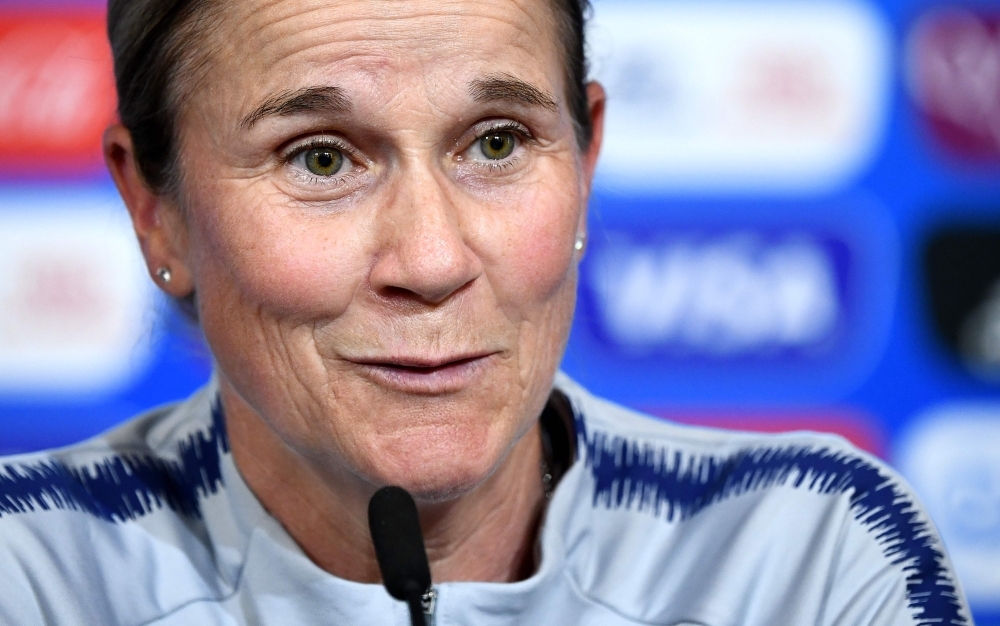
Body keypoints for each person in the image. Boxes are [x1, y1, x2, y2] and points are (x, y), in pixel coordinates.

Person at [0, 0, 973, 624]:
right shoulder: (28, 569)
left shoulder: (806, 555)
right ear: (155, 211)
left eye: (497, 141)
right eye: (322, 157)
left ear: (585, 164)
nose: (430, 259)